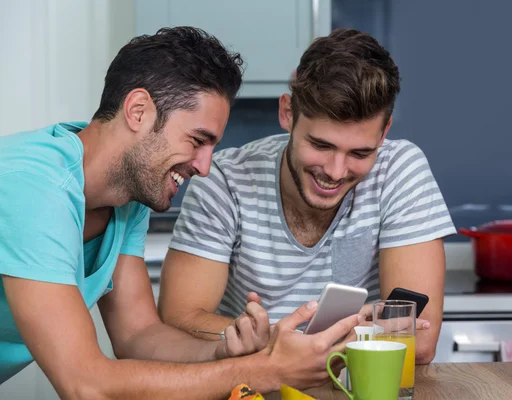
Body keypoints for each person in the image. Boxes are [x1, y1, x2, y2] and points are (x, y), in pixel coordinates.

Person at [0, 26, 360, 398]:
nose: (204, 167)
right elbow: (85, 384)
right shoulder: (36, 188)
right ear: (138, 111)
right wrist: (264, 370)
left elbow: (138, 335)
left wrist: (222, 352)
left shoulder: (128, 197)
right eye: (197, 140)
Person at [159, 28, 456, 365]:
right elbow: (178, 321)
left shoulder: (401, 171)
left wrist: (275, 341)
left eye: (360, 153)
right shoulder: (222, 180)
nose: (334, 171)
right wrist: (349, 335)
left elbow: (420, 340)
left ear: (385, 132)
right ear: (287, 112)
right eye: (321, 145)